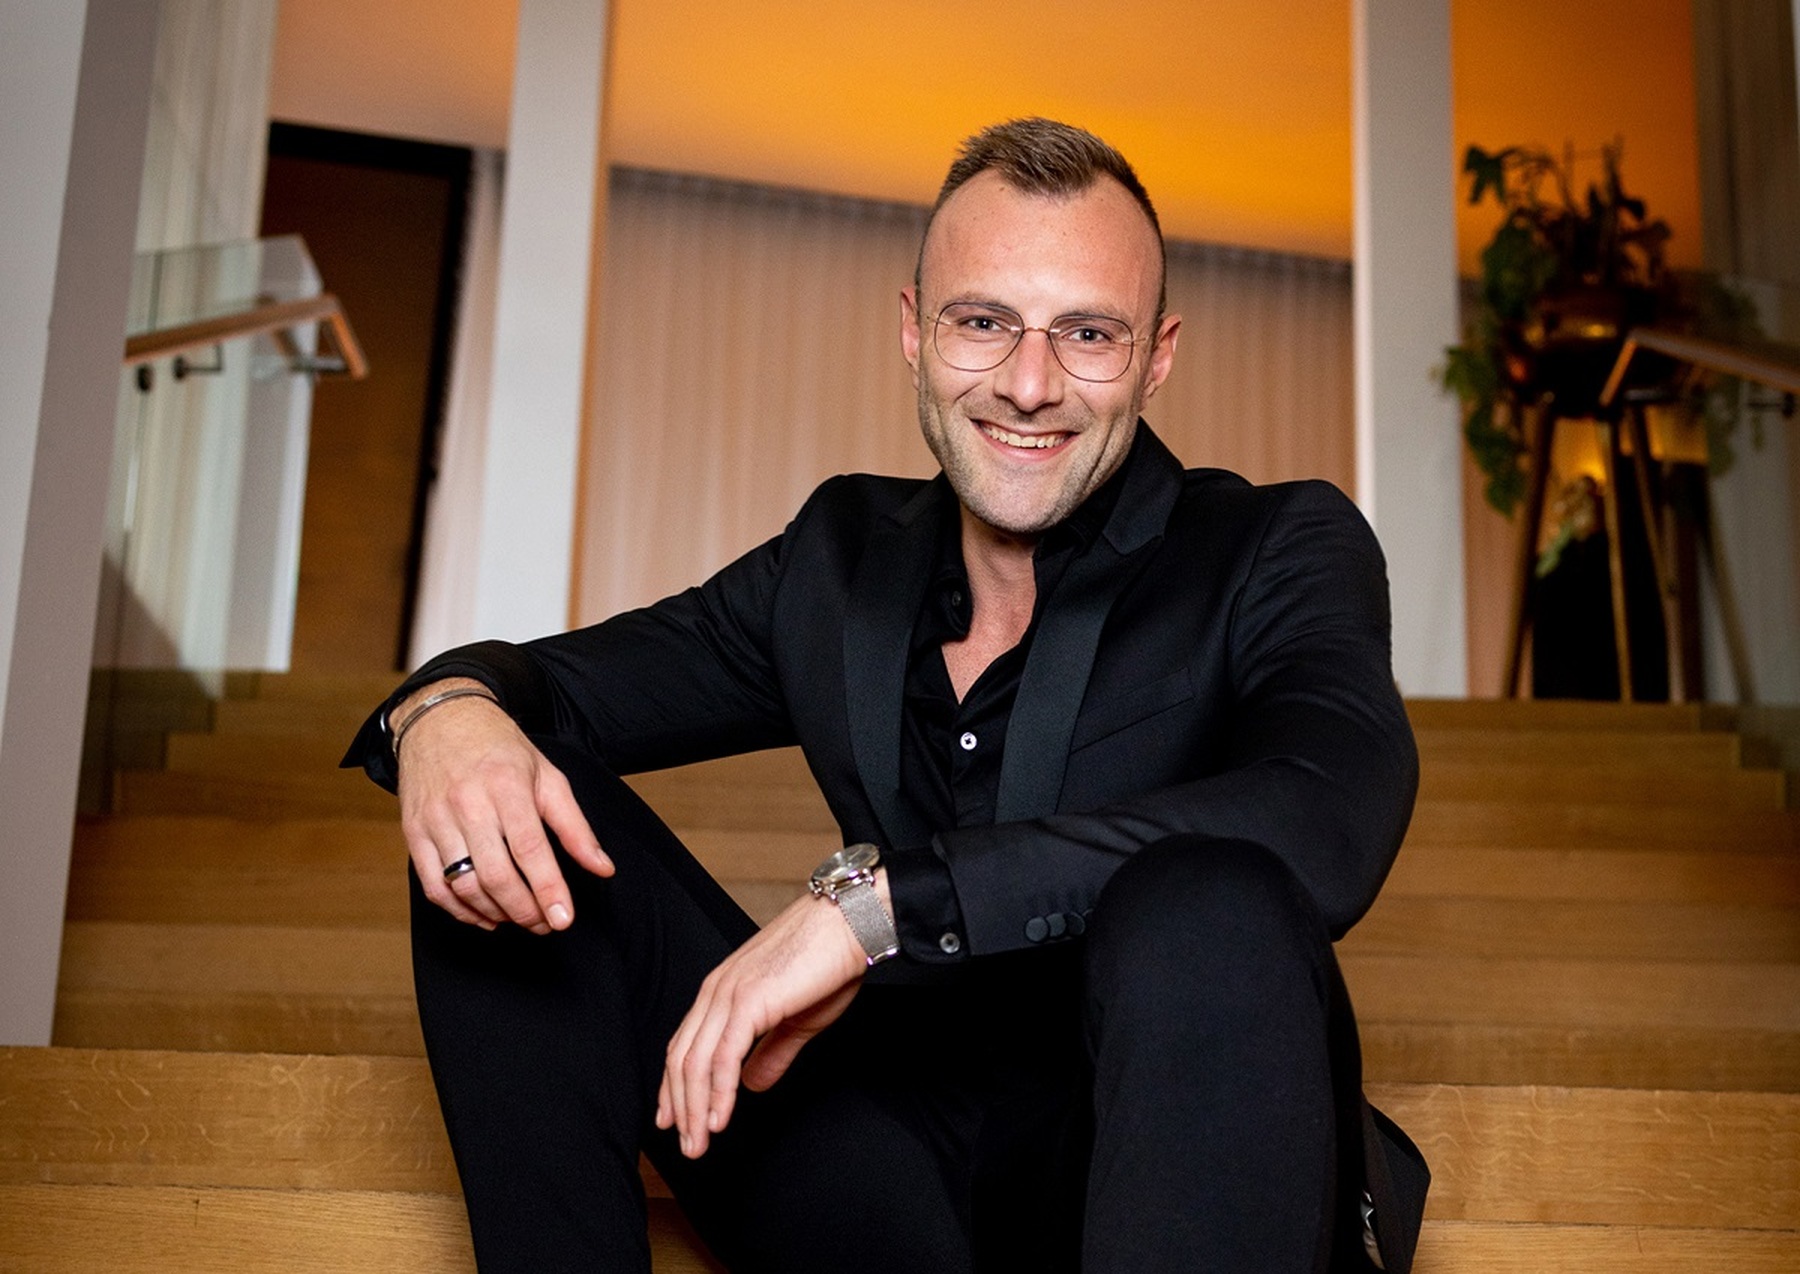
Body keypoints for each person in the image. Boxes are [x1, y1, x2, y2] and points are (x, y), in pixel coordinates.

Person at [346, 117, 1427, 1273]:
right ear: (915, 331)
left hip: (1158, 1166)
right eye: (982, 322)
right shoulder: (840, 558)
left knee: (1209, 896)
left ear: (1156, 356)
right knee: (495, 798)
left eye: (1087, 333)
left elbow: (1325, 814)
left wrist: (881, 908)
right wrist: (443, 711)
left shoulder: (1273, 545)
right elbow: (557, 686)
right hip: (878, 1171)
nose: (1028, 384)